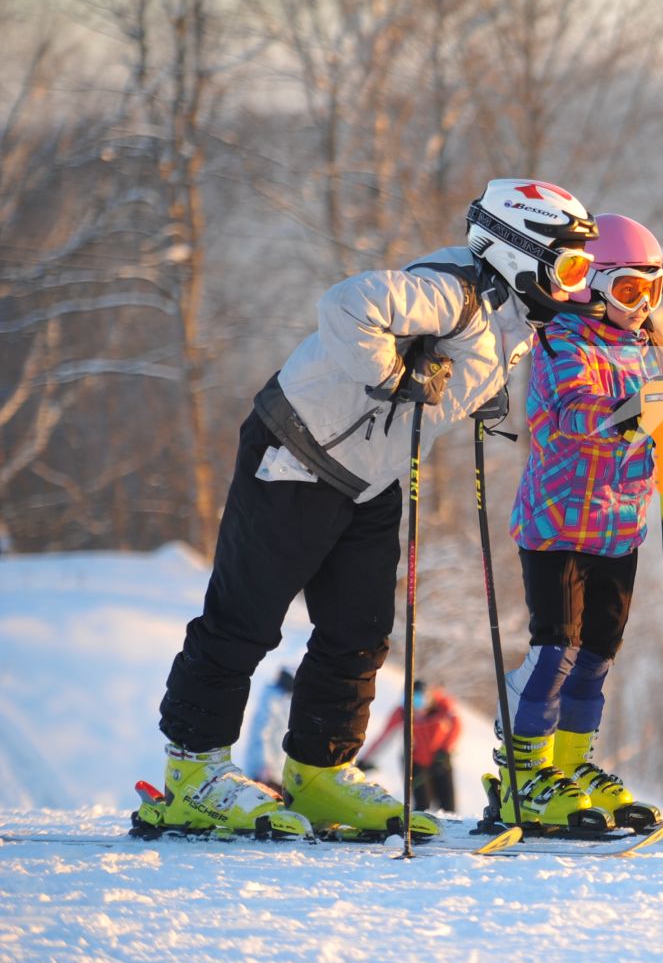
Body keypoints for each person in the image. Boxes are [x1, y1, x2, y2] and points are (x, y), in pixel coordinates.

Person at [144, 179, 598, 840]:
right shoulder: (455, 290)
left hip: (369, 478)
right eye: (571, 265)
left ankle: (319, 770)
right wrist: (395, 377)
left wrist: (479, 398)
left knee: (358, 632)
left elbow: (459, 370)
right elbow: (347, 306)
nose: (576, 285)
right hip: (298, 452)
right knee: (246, 618)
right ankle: (192, 774)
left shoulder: (509, 315)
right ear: (519, 249)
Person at [492, 214, 663, 831]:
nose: (641, 305)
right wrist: (629, 411)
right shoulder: (560, 342)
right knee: (555, 652)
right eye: (627, 291)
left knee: (595, 656)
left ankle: (571, 765)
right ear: (590, 285)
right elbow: (571, 414)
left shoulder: (656, 353)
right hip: (559, 524)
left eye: (652, 291)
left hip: (621, 530)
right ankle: (524, 774)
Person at [362, 680, 462, 812]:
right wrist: (365, 760)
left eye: (419, 701)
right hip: (415, 762)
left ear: (429, 699)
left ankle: (449, 831)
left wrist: (445, 749)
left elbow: (457, 726)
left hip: (440, 759)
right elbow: (383, 737)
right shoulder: (402, 713)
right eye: (409, 701)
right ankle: (418, 831)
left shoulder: (441, 705)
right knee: (422, 805)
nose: (414, 708)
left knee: (448, 805)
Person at [238, 668, 296, 792]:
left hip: (279, 772)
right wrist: (263, 765)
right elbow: (261, 732)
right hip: (266, 772)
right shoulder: (273, 699)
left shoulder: (286, 699)